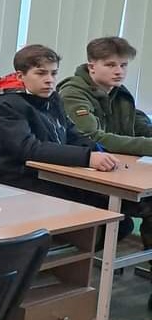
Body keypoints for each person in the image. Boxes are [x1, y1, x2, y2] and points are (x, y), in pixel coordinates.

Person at [0, 44, 146, 239]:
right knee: (117, 222)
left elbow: (71, 133)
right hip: (21, 179)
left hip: (54, 173)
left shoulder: (53, 98)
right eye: (41, 73)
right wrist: (87, 158)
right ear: (20, 76)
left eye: (54, 73)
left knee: (125, 211)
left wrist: (99, 151)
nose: (49, 80)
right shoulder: (6, 105)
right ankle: (64, 249)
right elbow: (29, 148)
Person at [57, 36, 152, 256]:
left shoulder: (119, 93)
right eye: (110, 65)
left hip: (120, 171)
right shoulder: (73, 93)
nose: (119, 71)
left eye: (123, 65)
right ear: (91, 66)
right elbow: (94, 137)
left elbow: (140, 126)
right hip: (84, 177)